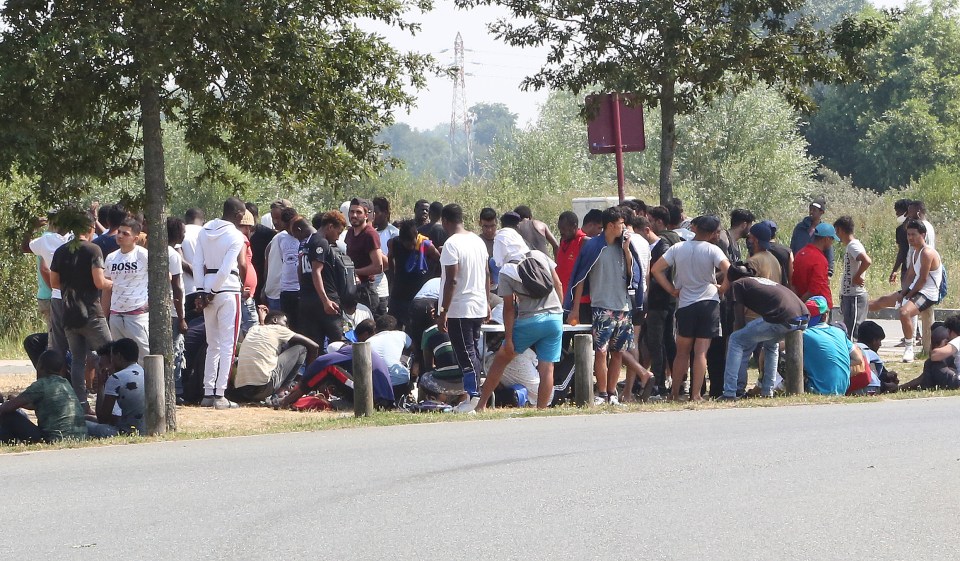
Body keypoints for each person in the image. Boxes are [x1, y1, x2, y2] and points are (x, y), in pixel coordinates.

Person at [566, 207, 651, 404]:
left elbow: (633, 274)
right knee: (601, 351)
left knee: (618, 352)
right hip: (601, 306)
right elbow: (580, 278)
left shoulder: (624, 246)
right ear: (611, 225)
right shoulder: (593, 246)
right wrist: (575, 308)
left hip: (623, 306)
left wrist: (627, 249)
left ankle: (612, 393)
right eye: (622, 224)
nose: (625, 228)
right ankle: (602, 392)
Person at [475, 245, 565, 412]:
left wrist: (508, 339)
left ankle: (481, 405)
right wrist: (559, 313)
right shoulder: (539, 254)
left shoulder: (506, 271)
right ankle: (542, 410)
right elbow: (558, 284)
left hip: (529, 320)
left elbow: (508, 308)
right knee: (547, 367)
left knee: (499, 361)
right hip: (554, 318)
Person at [651, 215, 730, 401]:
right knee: (701, 351)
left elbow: (656, 269)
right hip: (709, 301)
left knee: (682, 352)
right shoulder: (713, 250)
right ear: (712, 233)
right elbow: (730, 270)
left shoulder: (678, 248)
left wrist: (671, 289)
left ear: (694, 228)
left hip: (686, 302)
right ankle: (696, 395)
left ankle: (674, 393)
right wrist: (722, 288)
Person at [50, 211, 113, 407]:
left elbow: (54, 282)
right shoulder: (93, 250)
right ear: (90, 229)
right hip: (91, 313)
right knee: (111, 355)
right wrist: (112, 283)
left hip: (69, 313)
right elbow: (99, 281)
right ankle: (108, 400)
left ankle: (81, 403)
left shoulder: (61, 251)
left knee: (77, 360)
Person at [720, 264, 808, 400]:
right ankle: (767, 391)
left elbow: (739, 321)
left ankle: (730, 392)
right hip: (803, 317)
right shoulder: (758, 281)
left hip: (783, 318)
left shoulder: (737, 284)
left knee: (735, 339)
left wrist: (741, 336)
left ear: (730, 278)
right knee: (771, 344)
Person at [193, 197, 247, 409]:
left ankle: (208, 392)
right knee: (228, 344)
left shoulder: (204, 230)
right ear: (237, 214)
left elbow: (198, 263)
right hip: (227, 287)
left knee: (212, 342)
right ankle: (220, 393)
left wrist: (201, 291)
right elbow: (227, 267)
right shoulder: (236, 235)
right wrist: (213, 291)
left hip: (206, 285)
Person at [437, 203, 490, 412]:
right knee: (473, 352)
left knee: (466, 355)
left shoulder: (451, 244)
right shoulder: (477, 241)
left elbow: (452, 279)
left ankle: (474, 399)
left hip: (460, 307)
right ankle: (473, 396)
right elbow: (487, 273)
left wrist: (444, 311)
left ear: (445, 221)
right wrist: (486, 302)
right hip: (477, 304)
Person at [868, 220, 942, 363]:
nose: (910, 238)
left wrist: (907, 296)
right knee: (880, 302)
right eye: (908, 234)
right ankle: (856, 318)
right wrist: (902, 293)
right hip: (915, 290)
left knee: (904, 312)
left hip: (927, 293)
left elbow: (922, 280)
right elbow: (910, 275)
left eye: (914, 234)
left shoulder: (927, 252)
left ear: (923, 235)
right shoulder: (915, 252)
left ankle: (909, 347)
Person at [228, 309, 319, 403]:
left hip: (242, 391)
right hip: (264, 389)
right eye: (285, 322)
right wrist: (309, 382)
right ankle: (282, 391)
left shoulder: (254, 329)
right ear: (275, 320)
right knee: (301, 348)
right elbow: (314, 346)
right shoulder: (279, 329)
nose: (287, 327)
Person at [0, 350, 87, 443]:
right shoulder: (65, 384)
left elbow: (6, 408)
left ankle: (8, 441)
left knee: (9, 415)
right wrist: (16, 400)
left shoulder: (41, 385)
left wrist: (11, 403)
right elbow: (39, 405)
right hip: (80, 437)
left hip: (53, 439)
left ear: (40, 366)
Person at [278, 342, 395, 408]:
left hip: (375, 399)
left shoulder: (348, 350)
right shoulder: (355, 353)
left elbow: (321, 362)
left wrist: (302, 382)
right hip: (383, 398)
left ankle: (287, 401)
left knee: (329, 368)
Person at [643, 205, 681, 395]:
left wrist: (669, 290)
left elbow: (661, 272)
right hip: (666, 299)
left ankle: (662, 383)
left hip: (661, 301)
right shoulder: (672, 239)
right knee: (665, 341)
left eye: (650, 221)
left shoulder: (663, 243)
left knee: (659, 342)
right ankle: (675, 382)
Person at [298, 211, 348, 352]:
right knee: (339, 343)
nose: (338, 237)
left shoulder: (306, 241)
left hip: (307, 299)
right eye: (338, 232)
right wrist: (325, 301)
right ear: (330, 227)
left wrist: (304, 292)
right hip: (325, 301)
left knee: (314, 346)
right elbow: (316, 271)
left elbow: (299, 268)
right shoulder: (322, 242)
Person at [102, 218, 150, 361]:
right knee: (119, 356)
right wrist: (104, 315)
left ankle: (146, 383)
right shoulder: (111, 257)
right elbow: (107, 288)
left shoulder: (143, 255)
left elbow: (164, 277)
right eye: (119, 232)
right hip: (116, 314)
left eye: (125, 234)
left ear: (135, 238)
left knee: (143, 355)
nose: (120, 236)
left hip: (137, 314)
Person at [25, 211, 71, 354]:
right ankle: (55, 372)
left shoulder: (46, 239)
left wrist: (31, 228)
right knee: (58, 341)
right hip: (53, 296)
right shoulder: (50, 239)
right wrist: (56, 290)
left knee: (57, 339)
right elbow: (45, 269)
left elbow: (26, 247)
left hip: (48, 295)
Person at [801, 296, 861, 395]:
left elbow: (780, 346)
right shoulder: (839, 332)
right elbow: (858, 359)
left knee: (783, 357)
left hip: (817, 390)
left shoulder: (804, 334)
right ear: (826, 315)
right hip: (842, 389)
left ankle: (778, 388)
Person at [87, 338, 145, 437]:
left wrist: (101, 386)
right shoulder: (142, 371)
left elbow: (103, 419)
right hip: (145, 428)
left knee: (81, 424)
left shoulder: (116, 378)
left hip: (127, 432)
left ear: (118, 357)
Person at [387, 219, 440, 328]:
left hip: (417, 295)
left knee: (414, 329)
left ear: (416, 235)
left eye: (412, 243)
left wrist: (433, 279)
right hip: (398, 294)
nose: (410, 247)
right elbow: (390, 258)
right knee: (393, 327)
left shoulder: (426, 245)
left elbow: (440, 261)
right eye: (407, 244)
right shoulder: (394, 243)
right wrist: (392, 279)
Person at [345, 198, 385, 316]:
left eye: (358, 212)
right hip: (351, 288)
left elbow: (378, 267)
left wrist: (354, 272)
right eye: (352, 212)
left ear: (366, 215)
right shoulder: (350, 232)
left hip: (365, 290)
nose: (354, 215)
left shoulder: (370, 234)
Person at [834, 216, 872, 339]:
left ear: (840, 230)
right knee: (848, 331)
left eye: (837, 231)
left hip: (855, 296)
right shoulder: (850, 246)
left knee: (854, 333)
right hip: (849, 296)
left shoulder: (853, 245)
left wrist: (857, 276)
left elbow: (867, 261)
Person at [792, 222, 838, 311]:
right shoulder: (820, 260)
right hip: (819, 307)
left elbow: (794, 282)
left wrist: (797, 303)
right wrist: (801, 305)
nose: (832, 243)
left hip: (803, 304)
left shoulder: (800, 253)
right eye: (832, 239)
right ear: (827, 239)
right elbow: (814, 289)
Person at [900, 326, 960, 391]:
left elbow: (934, 355)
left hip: (957, 382)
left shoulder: (958, 340)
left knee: (931, 362)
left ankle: (926, 386)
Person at [363, 315, 413, 389]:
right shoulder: (401, 335)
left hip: (376, 385)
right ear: (396, 328)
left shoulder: (368, 342)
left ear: (376, 329)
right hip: (401, 381)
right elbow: (413, 349)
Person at [790, 196, 834, 276]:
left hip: (815, 270)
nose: (811, 212)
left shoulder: (824, 230)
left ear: (821, 212)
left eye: (814, 210)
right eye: (810, 209)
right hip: (798, 268)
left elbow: (829, 251)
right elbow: (792, 247)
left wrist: (829, 272)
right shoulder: (800, 227)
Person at [262, 206, 295, 311]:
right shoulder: (279, 238)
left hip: (285, 293)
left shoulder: (295, 236)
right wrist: (265, 288)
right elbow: (269, 267)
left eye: (279, 218)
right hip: (276, 294)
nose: (275, 222)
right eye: (273, 218)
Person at [372, 197, 399, 317]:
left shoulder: (394, 233)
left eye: (376, 213)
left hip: (388, 278)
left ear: (386, 213)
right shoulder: (370, 232)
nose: (373, 216)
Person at [179, 207, 205, 316]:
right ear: (202, 220)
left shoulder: (181, 232)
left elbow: (179, 259)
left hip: (186, 288)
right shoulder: (206, 232)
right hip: (205, 288)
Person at [237, 209, 259, 335]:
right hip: (244, 293)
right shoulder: (241, 237)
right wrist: (243, 286)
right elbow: (242, 263)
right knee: (251, 329)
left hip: (244, 292)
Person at [889, 198, 912, 290]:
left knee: (906, 294)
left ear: (906, 211)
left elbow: (902, 252)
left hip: (907, 268)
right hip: (921, 267)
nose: (897, 214)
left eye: (898, 211)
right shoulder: (922, 227)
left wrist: (894, 270)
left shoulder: (901, 230)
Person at [479, 207, 500, 294]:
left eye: (492, 226)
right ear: (480, 223)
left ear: (497, 223)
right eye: (486, 226)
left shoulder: (502, 239)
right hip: (486, 288)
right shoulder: (477, 242)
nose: (489, 230)